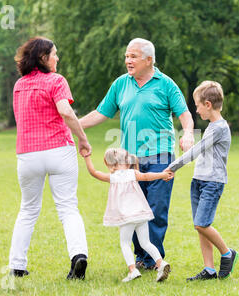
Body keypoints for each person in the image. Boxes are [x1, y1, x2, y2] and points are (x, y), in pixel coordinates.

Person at [79, 38, 194, 270]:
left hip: (161, 155)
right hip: (129, 161)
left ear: (148, 60)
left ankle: (153, 259)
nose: (127, 61)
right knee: (132, 209)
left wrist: (189, 133)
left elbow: (185, 114)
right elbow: (101, 113)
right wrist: (73, 125)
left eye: (133, 56)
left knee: (156, 209)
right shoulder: (121, 84)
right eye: (126, 56)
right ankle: (141, 256)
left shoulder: (167, 84)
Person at [8, 37, 91, 280]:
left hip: (28, 154)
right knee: (68, 207)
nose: (58, 58)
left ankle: (16, 265)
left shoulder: (19, 85)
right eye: (55, 54)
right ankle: (78, 256)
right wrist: (83, 139)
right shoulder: (56, 81)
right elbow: (65, 110)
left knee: (28, 210)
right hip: (58, 150)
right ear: (43, 57)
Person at [164, 81, 239, 281]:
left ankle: (227, 253)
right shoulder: (212, 127)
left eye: (196, 106)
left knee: (201, 224)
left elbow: (196, 151)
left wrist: (172, 167)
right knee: (200, 226)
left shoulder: (219, 128)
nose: (195, 110)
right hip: (198, 181)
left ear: (207, 104)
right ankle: (209, 269)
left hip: (212, 182)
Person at [83, 147, 173, 282]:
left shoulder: (112, 177)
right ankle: (161, 263)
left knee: (125, 243)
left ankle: (132, 270)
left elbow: (94, 172)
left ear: (110, 164)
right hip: (141, 214)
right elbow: (147, 176)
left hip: (127, 217)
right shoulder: (133, 173)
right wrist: (162, 175)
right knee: (146, 242)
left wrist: (87, 157)